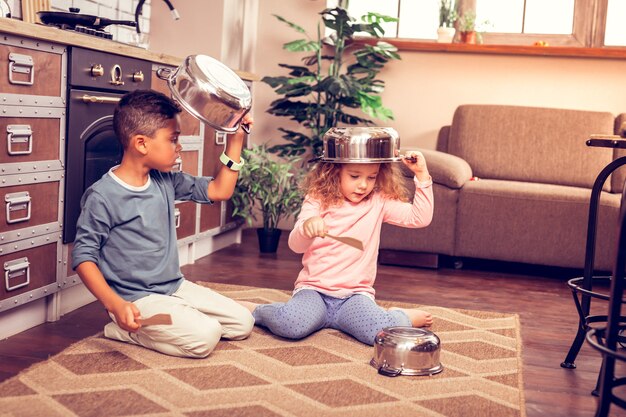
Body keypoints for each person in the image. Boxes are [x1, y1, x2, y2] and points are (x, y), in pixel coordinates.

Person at [71, 90, 254, 358]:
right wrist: (116, 304)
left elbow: (219, 190)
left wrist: (235, 140)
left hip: (174, 287)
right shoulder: (102, 196)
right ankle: (125, 329)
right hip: (136, 299)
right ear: (142, 144)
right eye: (173, 139)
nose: (178, 146)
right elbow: (83, 257)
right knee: (206, 336)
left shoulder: (164, 180)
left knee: (242, 323)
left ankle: (179, 316)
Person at [241, 151, 434, 345]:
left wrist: (422, 175)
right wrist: (306, 230)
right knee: (291, 324)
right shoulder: (317, 199)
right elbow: (295, 246)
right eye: (354, 176)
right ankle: (256, 311)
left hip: (354, 296)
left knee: (379, 333)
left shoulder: (378, 201)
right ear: (334, 172)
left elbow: (419, 218)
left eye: (372, 177)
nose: (363, 185)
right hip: (314, 291)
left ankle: (399, 316)